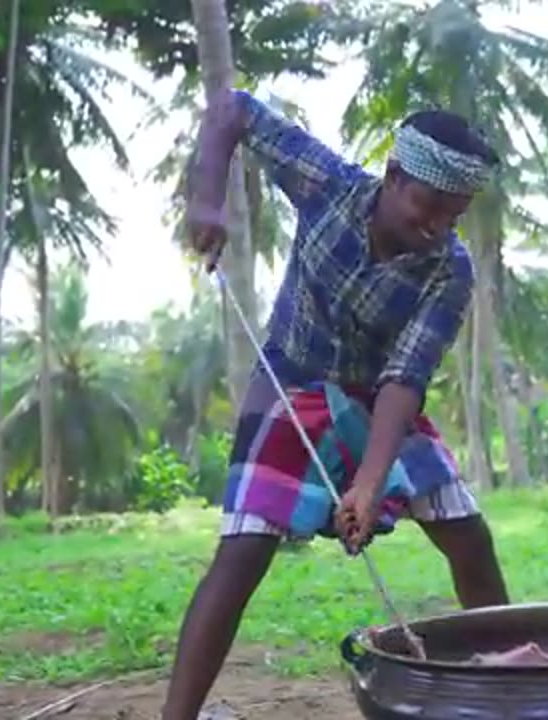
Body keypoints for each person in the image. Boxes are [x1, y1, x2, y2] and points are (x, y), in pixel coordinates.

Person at [161, 88, 510, 719]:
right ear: (394, 176)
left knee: (470, 538)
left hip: (379, 400)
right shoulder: (328, 184)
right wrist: (206, 198)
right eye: (428, 207)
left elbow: (405, 377)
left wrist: (371, 482)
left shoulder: (448, 270)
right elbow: (233, 111)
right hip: (289, 385)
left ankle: (512, 690)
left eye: (452, 217)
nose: (437, 227)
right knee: (241, 553)